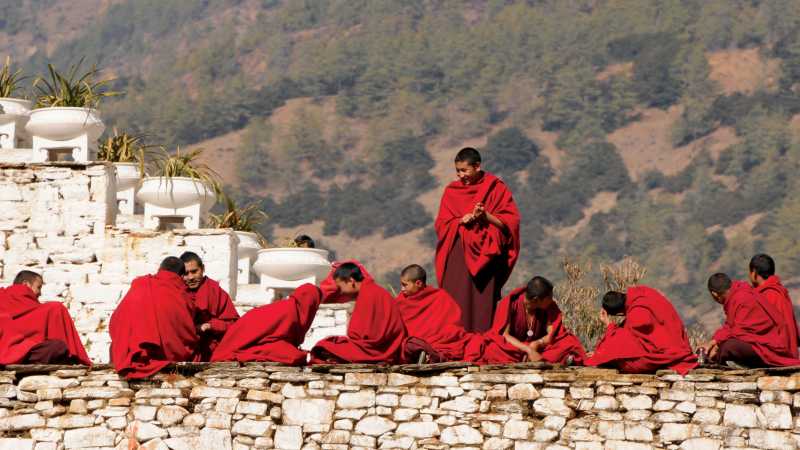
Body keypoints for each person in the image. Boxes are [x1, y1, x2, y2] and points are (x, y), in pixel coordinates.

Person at [435, 147, 521, 332]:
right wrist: (460, 221)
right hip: (457, 255)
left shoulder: (495, 187)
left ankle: (481, 344)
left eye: (464, 170)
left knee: (481, 306)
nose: (460, 175)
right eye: (457, 171)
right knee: (455, 303)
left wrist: (485, 216)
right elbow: (442, 224)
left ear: (477, 166)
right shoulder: (452, 191)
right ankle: (454, 341)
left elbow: (510, 223)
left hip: (486, 258)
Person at [109, 257, 200, 379]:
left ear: (159, 270)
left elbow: (116, 320)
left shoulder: (140, 284)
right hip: (165, 354)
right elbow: (186, 332)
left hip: (132, 353)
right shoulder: (183, 296)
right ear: (181, 276)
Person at [464, 276, 585, 365]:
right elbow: (504, 335)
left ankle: (548, 358)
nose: (552, 300)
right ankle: (552, 360)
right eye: (549, 298)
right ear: (537, 299)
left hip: (540, 348)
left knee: (568, 342)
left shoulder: (548, 307)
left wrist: (536, 344)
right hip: (514, 348)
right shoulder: (511, 303)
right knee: (487, 346)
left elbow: (552, 333)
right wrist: (528, 350)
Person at [586, 286, 698, 374]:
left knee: (621, 360)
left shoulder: (636, 315)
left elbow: (626, 343)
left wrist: (609, 324)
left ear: (620, 313)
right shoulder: (644, 292)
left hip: (667, 353)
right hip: (678, 343)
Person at [310, 262, 406, 364]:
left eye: (340, 287)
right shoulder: (376, 291)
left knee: (323, 346)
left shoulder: (367, 294)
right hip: (387, 348)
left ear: (351, 281)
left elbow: (358, 334)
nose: (340, 292)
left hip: (375, 351)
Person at [701, 273, 800, 368]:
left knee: (728, 347)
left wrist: (718, 344)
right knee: (723, 346)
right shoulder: (735, 295)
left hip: (768, 347)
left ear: (714, 294)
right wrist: (714, 341)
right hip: (757, 342)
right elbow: (730, 326)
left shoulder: (742, 298)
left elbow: (739, 331)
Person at [211, 284, 321, 364]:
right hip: (240, 346)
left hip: (253, 342)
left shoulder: (293, 309)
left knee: (296, 354)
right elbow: (275, 339)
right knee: (296, 356)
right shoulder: (289, 311)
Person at [0, 270, 91, 365]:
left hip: (16, 353)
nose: (40, 293)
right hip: (20, 353)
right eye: (38, 287)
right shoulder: (50, 308)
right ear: (26, 285)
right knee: (58, 347)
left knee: (56, 347)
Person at [395, 264, 473, 363]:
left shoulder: (440, 297)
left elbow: (452, 325)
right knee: (408, 345)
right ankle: (426, 354)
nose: (402, 289)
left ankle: (430, 354)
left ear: (418, 283)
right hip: (414, 343)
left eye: (405, 285)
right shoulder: (401, 301)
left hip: (436, 342)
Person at [180, 252, 240, 361]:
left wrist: (210, 325)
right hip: (184, 351)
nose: (191, 277)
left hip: (213, 352)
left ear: (202, 269)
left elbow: (235, 325)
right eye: (186, 273)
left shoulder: (217, 293)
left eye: (194, 271)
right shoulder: (177, 293)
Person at [748, 254, 799, 358]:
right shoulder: (780, 292)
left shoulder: (765, 295)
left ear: (754, 273)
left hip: (778, 353)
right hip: (790, 350)